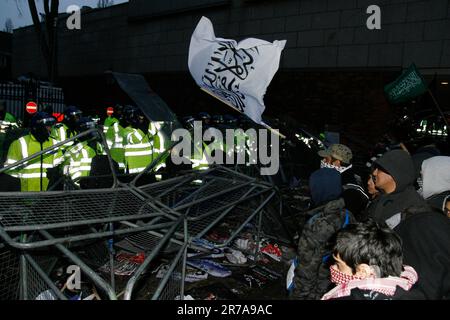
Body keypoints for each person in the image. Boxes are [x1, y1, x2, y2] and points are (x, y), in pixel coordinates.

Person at [291, 168, 362, 300]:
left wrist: (298, 296)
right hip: (335, 283)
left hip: (317, 289)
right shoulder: (347, 213)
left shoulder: (318, 224)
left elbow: (307, 270)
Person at [321, 220, 418, 300]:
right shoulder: (407, 284)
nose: (333, 267)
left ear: (363, 271)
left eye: (338, 265)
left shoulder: (350, 295)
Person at [4, 112, 63, 192]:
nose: (50, 129)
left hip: (48, 196)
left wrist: (57, 172)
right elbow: (10, 172)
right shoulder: (19, 143)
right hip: (25, 195)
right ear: (36, 126)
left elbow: (59, 165)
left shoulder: (54, 143)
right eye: (47, 126)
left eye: (50, 126)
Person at [366, 150, 426, 223]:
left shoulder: (413, 207)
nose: (374, 173)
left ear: (395, 172)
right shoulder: (381, 196)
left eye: (380, 169)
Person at [63, 116, 103, 186]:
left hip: (97, 187)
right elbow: (66, 171)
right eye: (88, 129)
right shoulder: (74, 149)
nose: (92, 132)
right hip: (78, 189)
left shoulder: (98, 146)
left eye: (92, 129)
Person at [122, 106, 152, 174]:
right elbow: (134, 139)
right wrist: (145, 124)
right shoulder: (127, 130)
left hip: (147, 168)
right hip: (134, 170)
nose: (142, 120)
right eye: (140, 118)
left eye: (143, 118)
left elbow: (153, 133)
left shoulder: (145, 129)